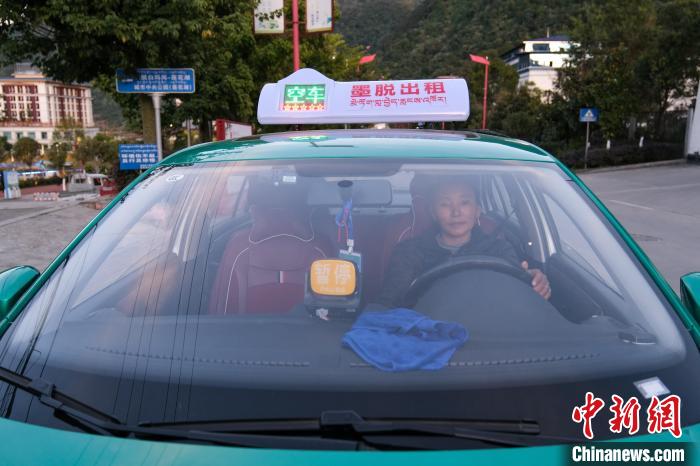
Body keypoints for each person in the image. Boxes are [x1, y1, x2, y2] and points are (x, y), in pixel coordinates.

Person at [376, 177, 551, 308]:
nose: (456, 212)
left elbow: (516, 301)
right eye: (445, 204)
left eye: (465, 202)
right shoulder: (409, 252)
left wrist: (532, 282)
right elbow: (387, 306)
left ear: (477, 210)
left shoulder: (500, 250)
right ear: (433, 213)